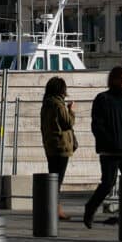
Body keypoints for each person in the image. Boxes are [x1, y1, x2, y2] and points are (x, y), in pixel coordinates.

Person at [82, 66, 122, 228]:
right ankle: (91, 208)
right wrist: (109, 141)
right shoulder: (103, 99)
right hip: (109, 151)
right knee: (108, 183)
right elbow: (97, 125)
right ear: (114, 79)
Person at [39, 76, 77, 221]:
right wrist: (71, 110)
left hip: (50, 146)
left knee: (53, 178)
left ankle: (54, 208)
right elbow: (68, 123)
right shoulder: (58, 105)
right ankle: (55, 209)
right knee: (57, 180)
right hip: (61, 147)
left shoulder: (46, 104)